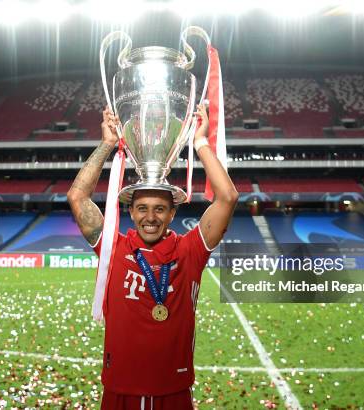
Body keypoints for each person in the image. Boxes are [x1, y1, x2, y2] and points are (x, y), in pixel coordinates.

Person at [67, 104, 238, 409]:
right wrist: (107, 144)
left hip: (172, 390)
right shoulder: (113, 247)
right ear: (130, 212)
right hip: (120, 389)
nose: (150, 217)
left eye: (159, 209)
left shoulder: (190, 251)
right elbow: (77, 197)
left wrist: (200, 142)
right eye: (142, 208)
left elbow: (227, 197)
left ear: (172, 213)